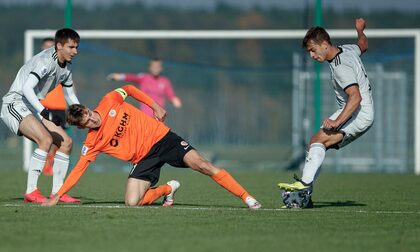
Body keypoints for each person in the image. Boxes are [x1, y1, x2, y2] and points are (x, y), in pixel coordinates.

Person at [43, 85, 262, 209]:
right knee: (131, 203)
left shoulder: (109, 100)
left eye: (90, 115)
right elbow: (78, 170)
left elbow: (129, 89)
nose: (93, 120)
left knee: (202, 164)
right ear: (82, 127)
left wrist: (155, 105)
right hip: (144, 159)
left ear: (89, 109)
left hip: (164, 139)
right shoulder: (91, 142)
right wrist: (57, 196)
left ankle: (247, 198)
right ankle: (168, 189)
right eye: (87, 122)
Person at [278, 18, 374, 208]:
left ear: (324, 44)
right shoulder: (347, 49)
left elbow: (355, 98)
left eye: (313, 50)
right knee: (316, 144)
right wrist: (360, 31)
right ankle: (306, 195)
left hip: (359, 113)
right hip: (357, 111)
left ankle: (304, 188)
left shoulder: (340, 66)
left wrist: (336, 122)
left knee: (317, 142)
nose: (312, 55)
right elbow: (363, 45)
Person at [0, 28, 82, 203]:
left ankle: (58, 192)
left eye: (76, 47)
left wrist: (82, 113)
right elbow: (26, 88)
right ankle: (31, 191)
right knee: (45, 140)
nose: (75, 51)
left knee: (66, 143)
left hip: (32, 106)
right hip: (15, 103)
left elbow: (69, 95)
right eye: (71, 47)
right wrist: (44, 112)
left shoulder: (66, 69)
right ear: (59, 46)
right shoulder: (45, 61)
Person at [107, 58, 182, 117]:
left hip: (158, 117)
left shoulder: (165, 81)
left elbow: (171, 95)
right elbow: (131, 77)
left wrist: (175, 100)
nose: (155, 68)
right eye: (153, 66)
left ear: (161, 68)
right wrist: (119, 76)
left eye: (157, 67)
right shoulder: (144, 78)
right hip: (144, 116)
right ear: (150, 68)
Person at [39, 37, 68, 176]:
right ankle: (45, 165)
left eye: (51, 47)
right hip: (43, 107)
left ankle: (52, 165)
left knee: (61, 140)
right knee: (45, 138)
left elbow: (70, 87)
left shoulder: (62, 66)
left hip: (60, 107)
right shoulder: (38, 65)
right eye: (46, 47)